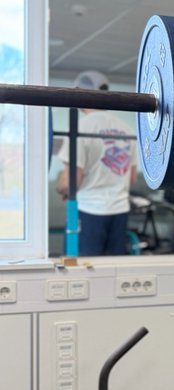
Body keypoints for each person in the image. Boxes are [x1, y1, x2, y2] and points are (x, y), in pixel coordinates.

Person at [56, 70, 138, 256]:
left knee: (84, 272)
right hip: (119, 211)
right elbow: (131, 178)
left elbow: (70, 182)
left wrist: (62, 189)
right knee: (113, 271)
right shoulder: (126, 129)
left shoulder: (81, 127)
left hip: (89, 211)